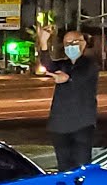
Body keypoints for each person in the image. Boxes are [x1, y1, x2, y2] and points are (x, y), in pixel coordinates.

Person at [37, 26, 99, 171]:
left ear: (83, 43)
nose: (70, 47)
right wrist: (43, 42)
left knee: (81, 168)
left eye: (74, 42)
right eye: (67, 44)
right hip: (59, 126)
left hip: (81, 125)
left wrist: (67, 78)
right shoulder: (63, 65)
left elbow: (81, 76)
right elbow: (48, 64)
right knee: (64, 168)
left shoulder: (89, 64)